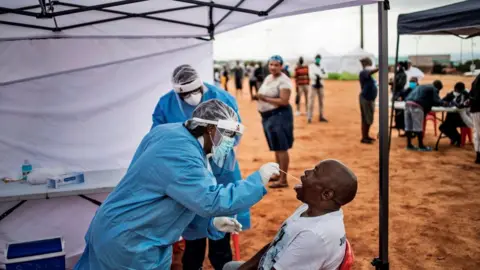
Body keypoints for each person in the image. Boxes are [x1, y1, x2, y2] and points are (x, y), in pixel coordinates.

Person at [74, 99, 281, 270]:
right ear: (210, 128)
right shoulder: (181, 155)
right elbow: (210, 201)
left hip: (118, 228)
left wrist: (210, 225)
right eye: (227, 135)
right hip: (131, 242)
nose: (230, 142)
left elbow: (178, 197)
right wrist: (258, 181)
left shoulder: (170, 133)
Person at [151, 65, 249, 270]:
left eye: (196, 92)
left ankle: (222, 261)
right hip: (189, 174)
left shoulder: (222, 98)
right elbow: (160, 138)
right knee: (193, 240)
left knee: (220, 242)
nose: (192, 97)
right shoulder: (165, 104)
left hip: (222, 170)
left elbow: (235, 131)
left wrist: (216, 150)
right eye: (186, 94)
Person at [222, 159, 358, 270]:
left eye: (315, 172)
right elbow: (277, 244)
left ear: (326, 194)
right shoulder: (312, 209)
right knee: (230, 267)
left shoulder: (314, 236)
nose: (306, 172)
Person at [255, 55, 293, 189]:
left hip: (280, 116)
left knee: (282, 147)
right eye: (271, 64)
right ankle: (278, 174)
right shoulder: (269, 78)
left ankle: (283, 180)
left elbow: (284, 101)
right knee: (276, 147)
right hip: (268, 117)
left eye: (276, 65)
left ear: (281, 66)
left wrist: (264, 98)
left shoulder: (284, 81)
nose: (273, 67)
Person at [404, 80, 447, 151]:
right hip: (417, 106)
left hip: (407, 104)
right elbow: (436, 101)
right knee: (418, 127)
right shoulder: (433, 88)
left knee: (408, 127)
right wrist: (444, 103)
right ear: (438, 87)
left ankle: (409, 145)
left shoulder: (420, 86)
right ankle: (421, 146)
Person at [439, 82, 471, 146]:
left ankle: (458, 139)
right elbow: (442, 101)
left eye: (461, 90)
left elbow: (463, 105)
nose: (460, 92)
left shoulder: (466, 95)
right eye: (459, 90)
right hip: (453, 117)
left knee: (445, 125)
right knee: (443, 127)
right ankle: (457, 138)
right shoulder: (451, 94)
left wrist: (454, 103)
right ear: (455, 89)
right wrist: (447, 102)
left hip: (463, 119)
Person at [359, 57, 379, 144]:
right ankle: (364, 137)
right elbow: (370, 72)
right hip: (366, 98)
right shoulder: (364, 72)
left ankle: (366, 136)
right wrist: (380, 67)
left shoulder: (368, 75)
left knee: (367, 119)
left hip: (369, 98)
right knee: (367, 119)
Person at [308, 54, 328, 123]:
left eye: (319, 58)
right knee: (311, 102)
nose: (318, 59)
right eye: (317, 58)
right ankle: (309, 117)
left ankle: (321, 116)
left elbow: (326, 75)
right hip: (313, 86)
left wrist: (318, 76)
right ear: (315, 59)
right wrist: (319, 76)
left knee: (321, 102)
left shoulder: (322, 67)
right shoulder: (311, 66)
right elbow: (311, 76)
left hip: (320, 85)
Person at [468, 73, 480, 164]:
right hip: (477, 109)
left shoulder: (476, 80)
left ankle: (478, 156)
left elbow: (471, 95)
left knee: (477, 132)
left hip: (475, 109)